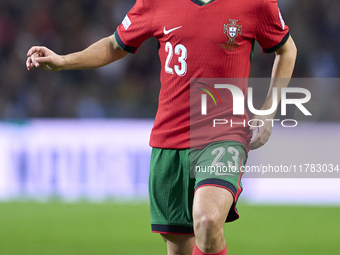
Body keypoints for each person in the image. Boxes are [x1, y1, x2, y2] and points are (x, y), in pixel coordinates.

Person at [26, 0, 297, 254]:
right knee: (179, 247)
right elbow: (114, 44)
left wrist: (269, 110)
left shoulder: (256, 3)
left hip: (222, 134)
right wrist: (63, 61)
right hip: (169, 139)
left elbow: (286, 49)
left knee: (208, 220)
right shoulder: (155, 2)